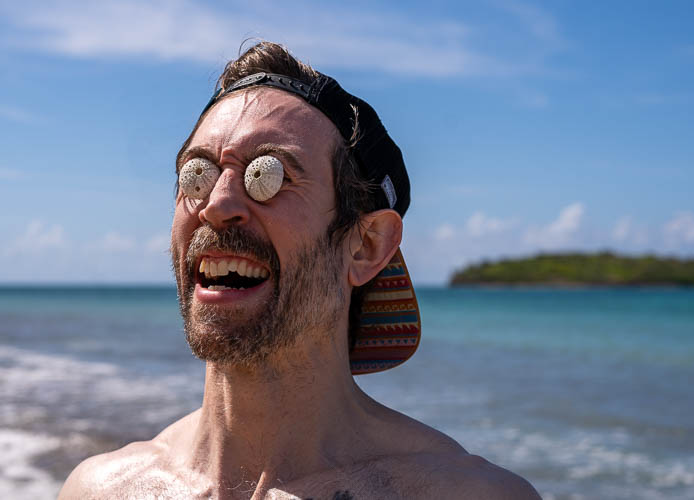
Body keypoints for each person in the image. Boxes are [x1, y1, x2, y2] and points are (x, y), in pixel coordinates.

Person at [59, 41, 541, 500]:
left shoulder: (462, 493)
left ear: (366, 246)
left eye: (268, 176)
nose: (218, 204)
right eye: (197, 174)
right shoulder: (100, 489)